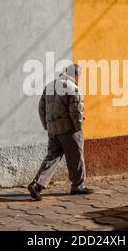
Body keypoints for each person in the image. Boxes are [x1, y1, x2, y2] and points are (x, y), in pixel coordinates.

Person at [28, 64, 94, 201]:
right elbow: (76, 111)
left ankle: (37, 184)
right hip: (69, 130)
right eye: (78, 76)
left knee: (52, 157)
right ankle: (78, 186)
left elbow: (41, 108)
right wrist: (78, 128)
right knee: (76, 157)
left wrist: (47, 126)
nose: (79, 78)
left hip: (53, 130)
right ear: (75, 75)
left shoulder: (49, 86)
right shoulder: (73, 89)